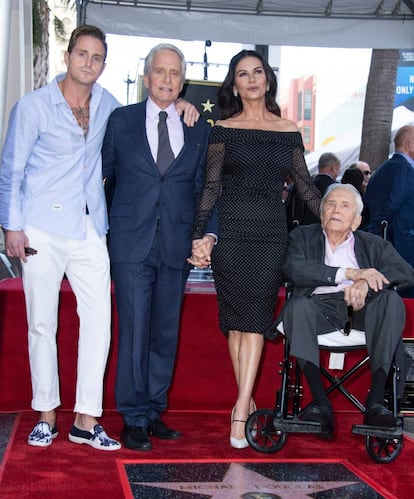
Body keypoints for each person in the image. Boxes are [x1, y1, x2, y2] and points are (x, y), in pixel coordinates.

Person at [188, 49, 321, 449]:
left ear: (267, 79)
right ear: (234, 84)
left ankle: (241, 408)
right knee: (235, 323)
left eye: (257, 72)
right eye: (242, 74)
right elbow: (211, 187)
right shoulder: (223, 129)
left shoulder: (287, 129)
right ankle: (244, 400)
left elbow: (305, 185)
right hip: (231, 233)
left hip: (269, 235)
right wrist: (199, 234)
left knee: (256, 321)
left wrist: (338, 214)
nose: (250, 79)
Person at [0, 25, 122, 449]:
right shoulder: (33, 107)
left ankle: (86, 419)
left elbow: (141, 127)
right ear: (68, 56)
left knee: (99, 324)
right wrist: (11, 227)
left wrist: (180, 105)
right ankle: (47, 413)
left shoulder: (109, 105)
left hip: (90, 227)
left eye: (97, 57)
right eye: (83, 54)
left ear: (103, 64)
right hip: (40, 226)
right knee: (41, 322)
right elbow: (11, 170)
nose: (89, 63)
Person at [102, 43, 218, 451]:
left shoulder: (198, 128)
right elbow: (103, 178)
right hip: (131, 244)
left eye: (174, 73)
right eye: (160, 72)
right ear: (147, 77)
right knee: (134, 330)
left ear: (181, 81)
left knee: (165, 332)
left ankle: (153, 411)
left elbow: (207, 189)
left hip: (175, 245)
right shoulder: (120, 121)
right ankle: (132, 417)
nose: (167, 79)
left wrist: (207, 234)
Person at [275, 183, 414, 437]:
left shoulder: (372, 244)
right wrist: (348, 274)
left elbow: (405, 272)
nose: (336, 210)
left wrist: (365, 283)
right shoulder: (303, 237)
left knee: (390, 302)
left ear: (357, 221)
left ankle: (375, 404)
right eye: (330, 204)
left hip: (363, 311)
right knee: (297, 307)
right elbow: (293, 268)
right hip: (319, 309)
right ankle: (319, 402)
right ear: (321, 213)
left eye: (345, 205)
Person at [364, 125, 414, 297]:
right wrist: (377, 229)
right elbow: (392, 205)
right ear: (408, 145)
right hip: (402, 246)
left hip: (383, 244)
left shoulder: (380, 171)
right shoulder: (405, 170)